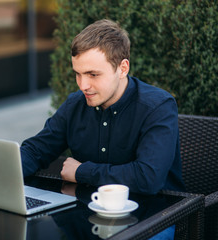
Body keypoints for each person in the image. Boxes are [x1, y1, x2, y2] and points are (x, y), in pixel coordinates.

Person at [20, 19, 185, 195]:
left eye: (93, 74)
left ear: (123, 68)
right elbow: (36, 150)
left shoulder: (157, 107)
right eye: (78, 74)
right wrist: (1, 172)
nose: (83, 85)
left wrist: (81, 172)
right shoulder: (75, 104)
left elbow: (148, 178)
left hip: (159, 213)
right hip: (89, 210)